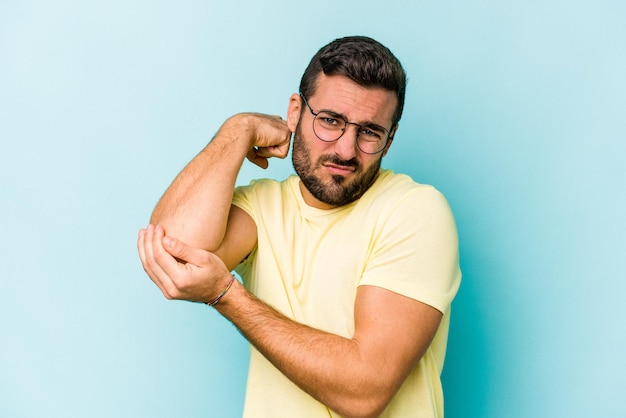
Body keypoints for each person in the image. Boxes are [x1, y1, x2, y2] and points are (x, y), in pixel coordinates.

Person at [138, 35, 461, 418]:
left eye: (370, 132)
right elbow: (172, 253)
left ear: (389, 141)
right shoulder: (262, 206)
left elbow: (365, 391)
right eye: (330, 121)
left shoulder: (414, 211)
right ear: (295, 112)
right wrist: (237, 131)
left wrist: (227, 294)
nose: (345, 149)